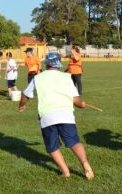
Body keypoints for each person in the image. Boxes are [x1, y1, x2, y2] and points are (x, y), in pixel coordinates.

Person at [19, 52, 94, 180]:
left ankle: (66, 172)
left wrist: (22, 105)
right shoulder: (67, 77)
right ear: (58, 64)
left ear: (47, 63)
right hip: (66, 115)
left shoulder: (38, 78)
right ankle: (85, 164)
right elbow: (76, 100)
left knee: (52, 147)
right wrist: (82, 104)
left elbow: (25, 95)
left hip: (47, 116)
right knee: (74, 142)